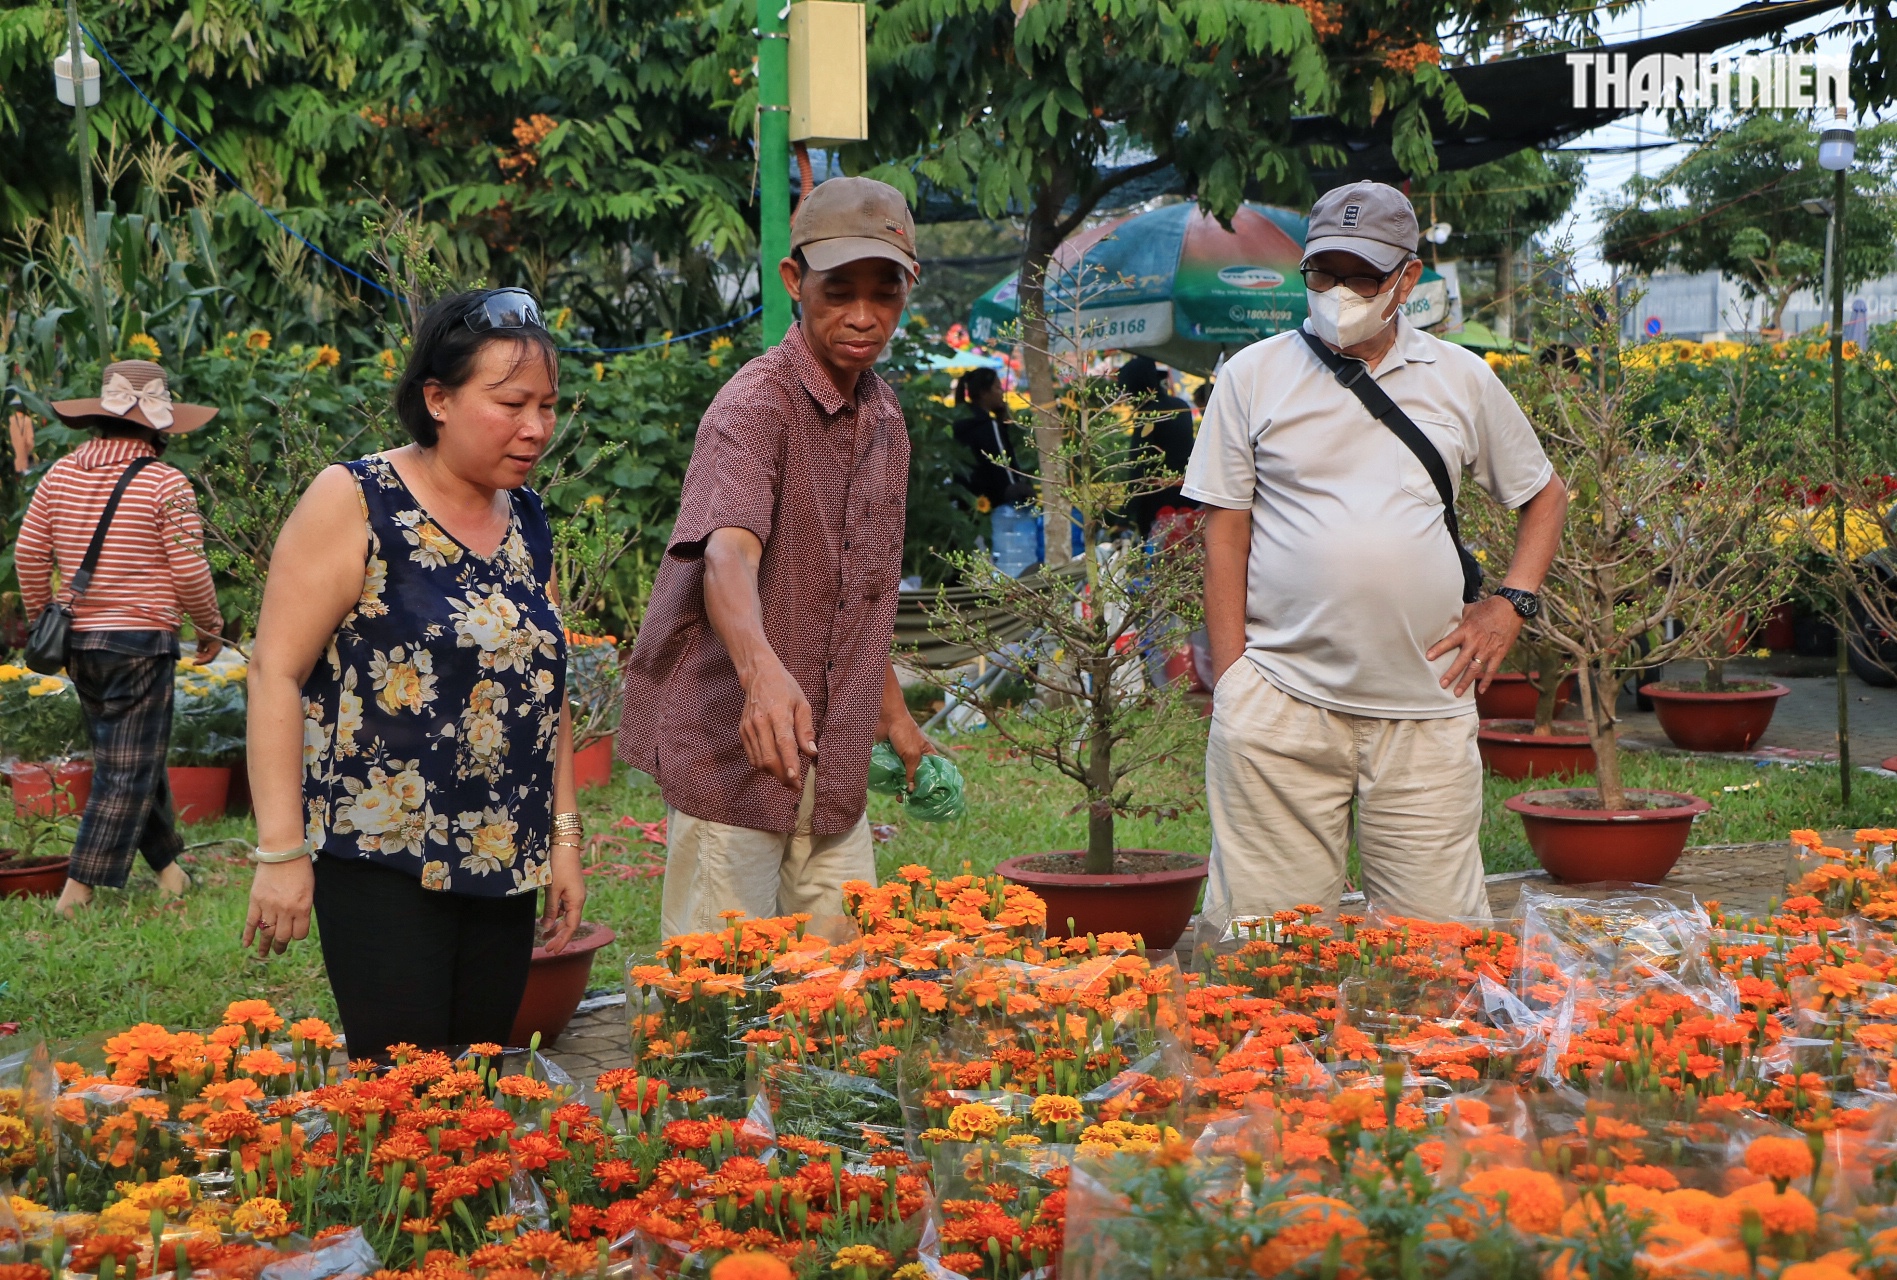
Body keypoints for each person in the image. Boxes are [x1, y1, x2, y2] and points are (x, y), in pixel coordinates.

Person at [1183, 181, 1569, 926]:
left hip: (1424, 708)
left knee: (1435, 951)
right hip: (1280, 706)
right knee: (1269, 949)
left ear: (1406, 279)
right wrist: (1234, 682)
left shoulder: (1460, 379)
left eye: (1361, 276)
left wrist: (1511, 603)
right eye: (1322, 273)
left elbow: (1543, 496)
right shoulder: (1251, 375)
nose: (1338, 293)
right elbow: (1223, 529)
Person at [240, 288, 585, 1058]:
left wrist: (562, 841)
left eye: (547, 406)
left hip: (505, 857)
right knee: (406, 1091)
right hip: (381, 860)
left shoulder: (525, 516)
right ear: (438, 398)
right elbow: (274, 673)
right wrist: (280, 851)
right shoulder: (356, 498)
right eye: (510, 403)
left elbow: (546, 689)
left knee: (479, 1087)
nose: (535, 428)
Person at [617, 177, 932, 940]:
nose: (862, 316)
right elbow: (727, 553)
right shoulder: (754, 407)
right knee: (717, 996)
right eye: (838, 291)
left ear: (907, 290)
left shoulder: (885, 418)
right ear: (794, 282)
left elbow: (855, 591)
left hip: (836, 764)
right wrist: (761, 676)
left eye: (883, 293)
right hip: (733, 755)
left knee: (837, 992)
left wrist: (892, 713)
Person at [18, 360, 223, 916]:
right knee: (127, 767)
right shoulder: (165, 481)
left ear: (98, 422)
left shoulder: (59, 475)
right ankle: (76, 892)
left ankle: (170, 871)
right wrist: (208, 626)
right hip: (140, 641)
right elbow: (188, 570)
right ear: (158, 427)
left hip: (79, 641)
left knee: (131, 756)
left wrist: (45, 620)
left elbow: (29, 554)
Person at [1118, 356, 1199, 537]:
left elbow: (1139, 467)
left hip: (1156, 501)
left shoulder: (1148, 414)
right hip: (1186, 496)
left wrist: (1124, 516)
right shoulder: (1180, 406)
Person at [952, 368, 1031, 510]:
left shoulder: (962, 420)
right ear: (983, 393)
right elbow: (1004, 466)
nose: (1002, 393)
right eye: (997, 388)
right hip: (994, 505)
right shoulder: (987, 425)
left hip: (967, 502)